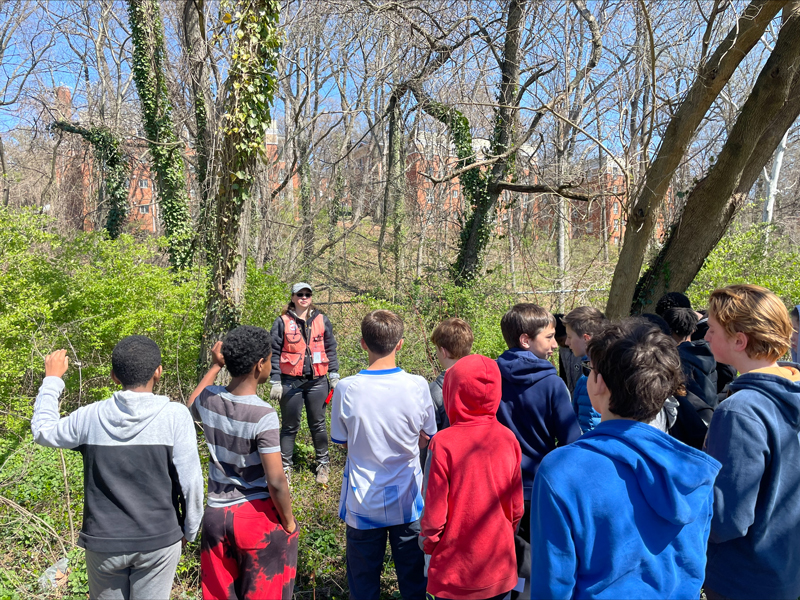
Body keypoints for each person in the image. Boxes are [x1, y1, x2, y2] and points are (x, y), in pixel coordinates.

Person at [530, 319, 721, 599]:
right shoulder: (693, 469)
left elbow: (553, 584)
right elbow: (693, 564)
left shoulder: (563, 470)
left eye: (589, 369)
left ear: (599, 383)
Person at [31, 336, 203, 600]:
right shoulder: (176, 416)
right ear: (158, 372)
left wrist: (53, 380)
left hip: (103, 543)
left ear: (113, 376)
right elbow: (191, 483)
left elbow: (43, 431)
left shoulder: (89, 417)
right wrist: (190, 531)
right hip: (159, 540)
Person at [702, 285, 800, 600]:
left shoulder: (740, 410)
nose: (706, 337)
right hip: (788, 572)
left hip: (744, 579)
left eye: (713, 330)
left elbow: (726, 519)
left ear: (739, 340)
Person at [330, 310, 436, 600]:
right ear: (400, 344)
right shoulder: (418, 385)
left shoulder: (346, 388)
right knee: (414, 583)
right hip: (409, 498)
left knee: (363, 586)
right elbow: (428, 437)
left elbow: (341, 441)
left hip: (363, 500)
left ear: (363, 343)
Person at [188, 326, 297, 600]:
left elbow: (190, 403)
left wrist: (215, 366)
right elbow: (275, 481)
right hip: (254, 518)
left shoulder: (210, 399)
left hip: (214, 518)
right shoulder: (263, 414)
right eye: (270, 359)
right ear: (260, 365)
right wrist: (289, 522)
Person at [495, 303, 581, 599]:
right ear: (525, 339)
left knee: (502, 562)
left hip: (497, 491)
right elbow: (571, 441)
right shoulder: (552, 384)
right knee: (536, 566)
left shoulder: (490, 379)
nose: (556, 344)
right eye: (549, 337)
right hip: (536, 492)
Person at [421, 354, 524, 600]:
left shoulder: (443, 443)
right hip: (499, 566)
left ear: (451, 391)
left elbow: (435, 517)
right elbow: (516, 508)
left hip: (454, 572)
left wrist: (428, 546)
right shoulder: (508, 439)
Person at [269, 282, 339, 485]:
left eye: (307, 294)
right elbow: (274, 351)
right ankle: (285, 468)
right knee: (290, 426)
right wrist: (275, 380)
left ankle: (323, 464)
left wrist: (334, 373)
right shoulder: (282, 322)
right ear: (292, 297)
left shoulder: (322, 320)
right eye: (300, 294)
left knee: (317, 424)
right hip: (290, 381)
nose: (304, 297)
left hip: (318, 380)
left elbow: (330, 348)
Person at [421, 317, 473, 470]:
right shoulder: (484, 385)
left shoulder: (433, 391)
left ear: (442, 351)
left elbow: (426, 443)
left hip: (444, 469)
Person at [562, 306, 608, 433]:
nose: (566, 342)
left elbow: (590, 426)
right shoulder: (587, 373)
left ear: (586, 339)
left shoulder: (597, 377)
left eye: (570, 337)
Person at [554, 314, 582, 395]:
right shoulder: (563, 351)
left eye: (561, 340)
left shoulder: (582, 350)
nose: (562, 344)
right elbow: (563, 375)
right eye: (558, 342)